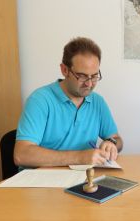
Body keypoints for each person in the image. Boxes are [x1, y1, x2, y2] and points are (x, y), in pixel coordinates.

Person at [14, 37, 123, 167]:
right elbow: (22, 155)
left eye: (94, 76)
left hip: (83, 178)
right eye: (82, 76)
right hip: (42, 181)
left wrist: (111, 143)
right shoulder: (40, 100)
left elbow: (117, 139)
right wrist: (80, 157)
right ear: (64, 70)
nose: (89, 84)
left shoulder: (97, 102)